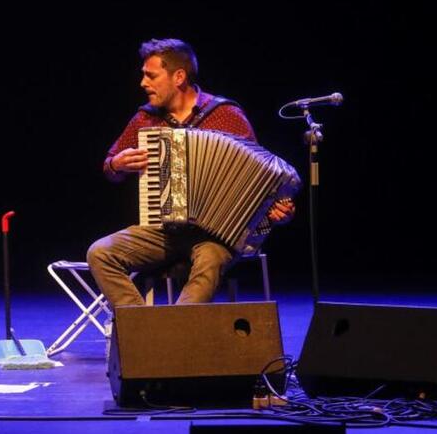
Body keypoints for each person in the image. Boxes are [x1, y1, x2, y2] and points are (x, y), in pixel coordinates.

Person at [87, 38, 294, 308]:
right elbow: (110, 165)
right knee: (100, 252)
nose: (143, 84)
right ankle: (141, 329)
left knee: (209, 260)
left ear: (179, 77)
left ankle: (178, 334)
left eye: (151, 76)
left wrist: (279, 210)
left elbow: (265, 178)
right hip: (163, 230)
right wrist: (117, 164)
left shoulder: (226, 115)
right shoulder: (145, 119)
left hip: (218, 235)